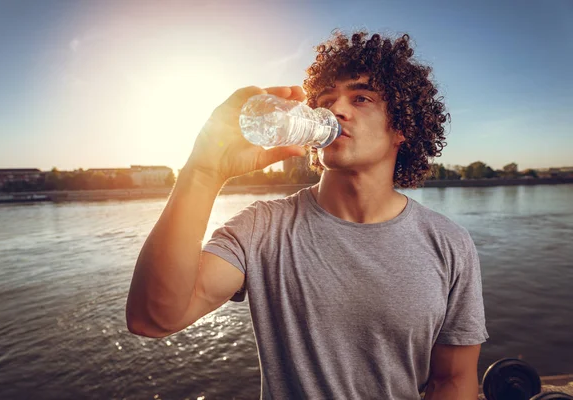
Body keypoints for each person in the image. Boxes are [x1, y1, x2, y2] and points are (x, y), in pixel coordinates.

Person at [126, 31, 489, 399]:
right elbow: (153, 318)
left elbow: (453, 379)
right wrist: (203, 171)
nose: (336, 110)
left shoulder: (448, 243)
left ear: (402, 128)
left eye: (360, 97)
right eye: (326, 100)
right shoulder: (262, 229)